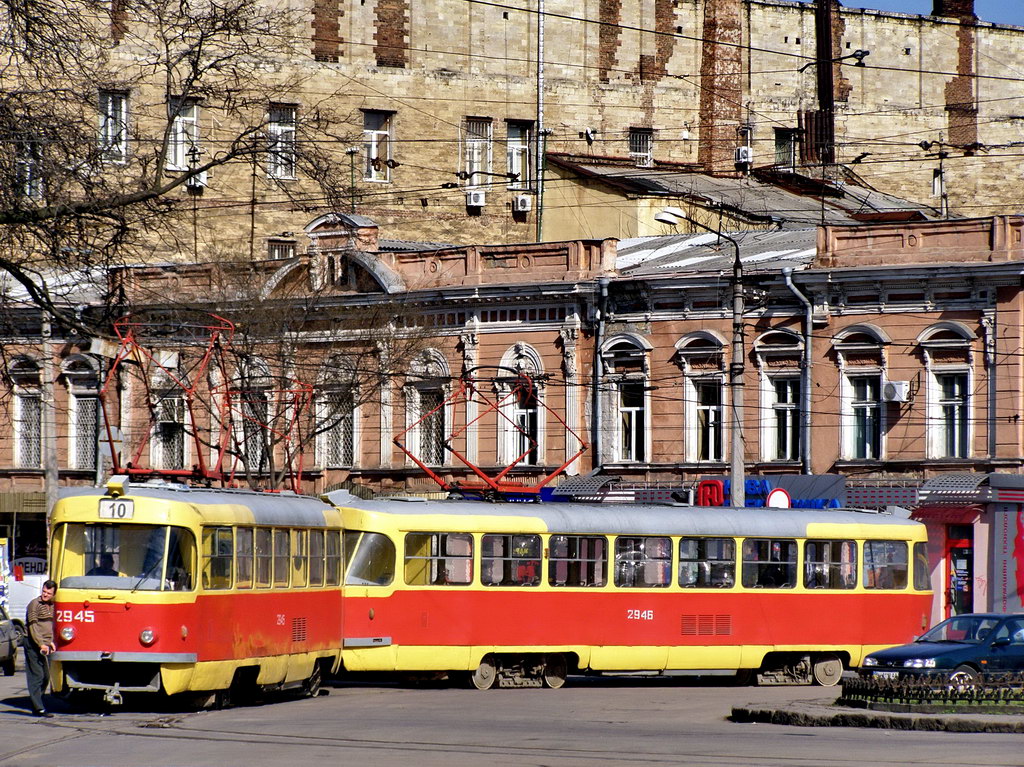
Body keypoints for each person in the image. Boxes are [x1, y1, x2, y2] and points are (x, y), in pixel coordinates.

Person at [23, 579, 57, 717]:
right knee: (37, 675)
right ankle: (38, 708)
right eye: (44, 591)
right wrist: (41, 644)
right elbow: (33, 627)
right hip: (33, 643)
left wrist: (52, 642)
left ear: (54, 594)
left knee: (46, 677)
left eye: (48, 593)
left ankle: (37, 702)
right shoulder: (34, 605)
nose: (45, 595)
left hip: (46, 644)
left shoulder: (53, 606)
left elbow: (53, 626)